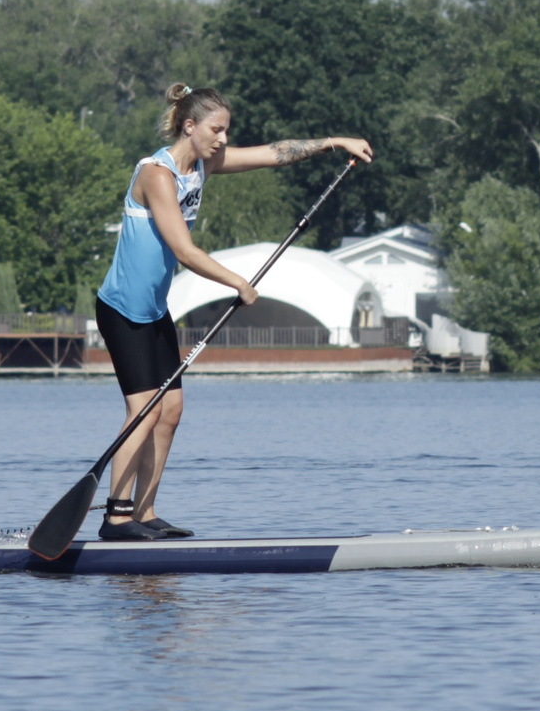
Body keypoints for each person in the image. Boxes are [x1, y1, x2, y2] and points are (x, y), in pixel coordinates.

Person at [89, 83, 373, 539]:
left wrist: (333, 143)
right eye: (216, 130)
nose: (223, 139)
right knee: (143, 410)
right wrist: (237, 282)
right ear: (190, 126)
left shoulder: (203, 165)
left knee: (172, 409)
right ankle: (116, 518)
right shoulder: (156, 175)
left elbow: (273, 153)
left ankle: (145, 513)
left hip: (154, 311)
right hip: (122, 311)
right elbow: (183, 250)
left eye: (226, 131)